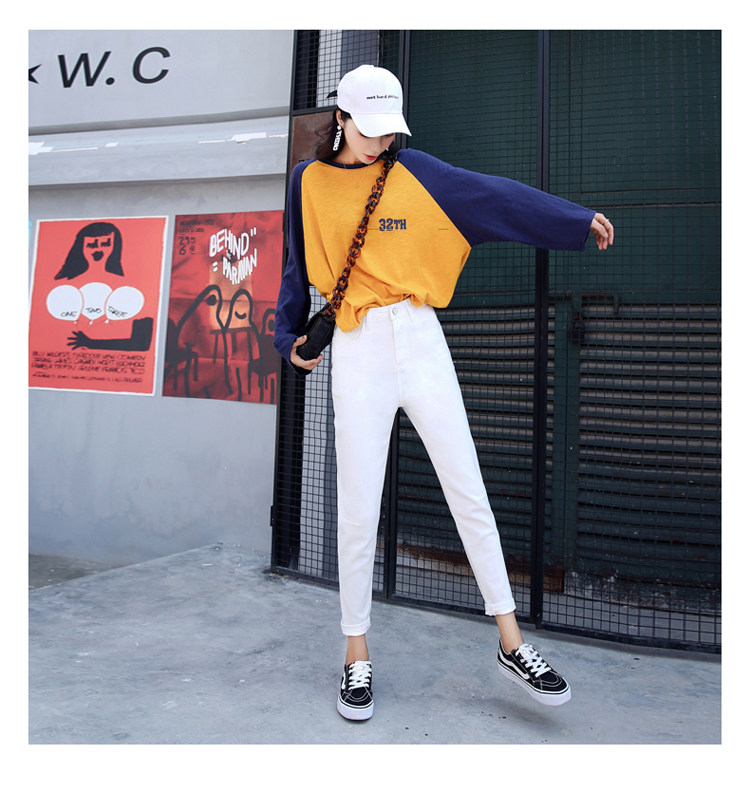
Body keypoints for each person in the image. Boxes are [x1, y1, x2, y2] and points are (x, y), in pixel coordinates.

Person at [274, 64, 614, 721]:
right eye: (368, 130)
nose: (380, 142)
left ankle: (511, 642)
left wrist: (573, 222)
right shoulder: (306, 183)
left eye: (388, 131)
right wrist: (288, 335)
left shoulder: (417, 172)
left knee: (468, 489)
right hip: (357, 347)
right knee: (357, 507)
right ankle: (355, 654)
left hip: (421, 335)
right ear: (340, 118)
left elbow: (497, 198)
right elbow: (295, 263)